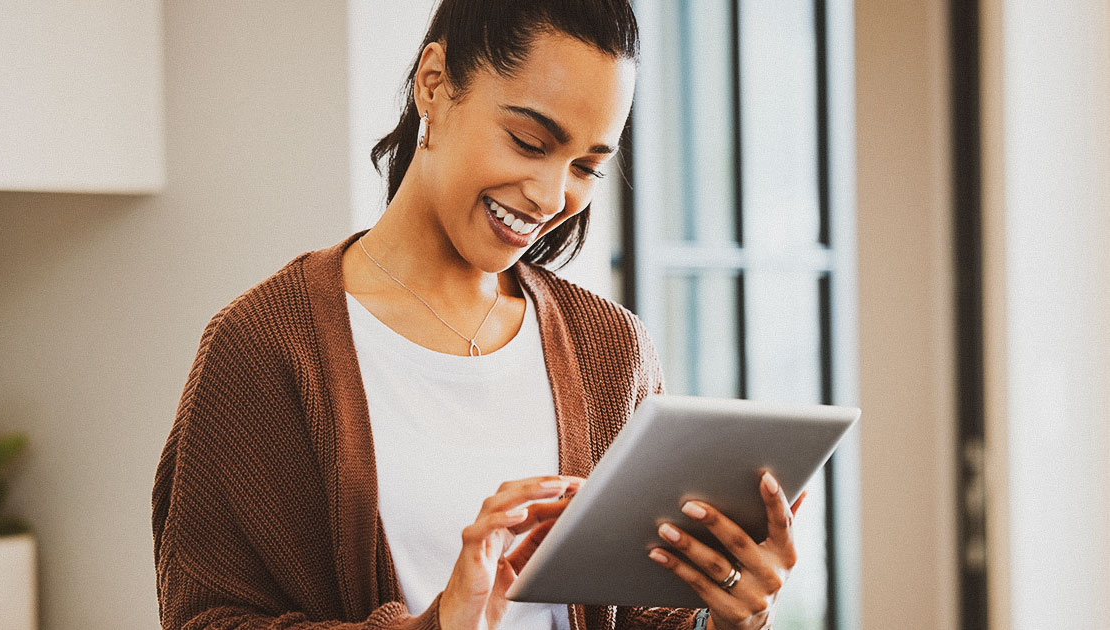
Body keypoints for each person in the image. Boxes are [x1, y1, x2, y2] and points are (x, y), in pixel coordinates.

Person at [152, 1, 806, 629]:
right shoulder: (266, 347)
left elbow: (632, 612)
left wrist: (722, 616)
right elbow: (208, 619)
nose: (552, 196)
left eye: (585, 166)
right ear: (433, 84)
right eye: (528, 140)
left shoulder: (611, 349)